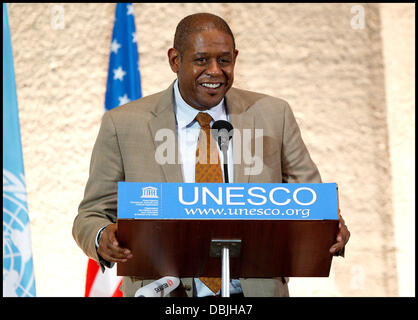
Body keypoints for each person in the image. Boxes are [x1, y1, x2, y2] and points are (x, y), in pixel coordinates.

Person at [73, 12, 350, 297]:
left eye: (225, 60)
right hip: (169, 294)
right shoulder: (124, 124)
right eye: (202, 60)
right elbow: (90, 214)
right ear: (175, 60)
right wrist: (100, 237)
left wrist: (331, 227)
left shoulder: (273, 115)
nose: (215, 71)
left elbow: (312, 202)